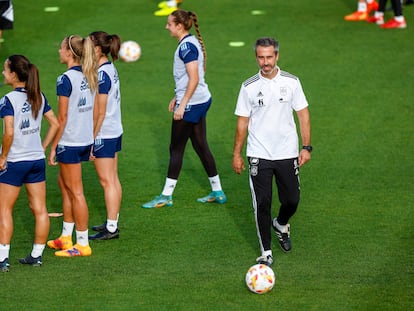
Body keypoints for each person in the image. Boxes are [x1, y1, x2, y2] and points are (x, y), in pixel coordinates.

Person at [232, 37, 312, 267]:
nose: (265, 62)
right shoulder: (248, 87)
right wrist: (237, 154)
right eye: (260, 57)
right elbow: (242, 123)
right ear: (256, 57)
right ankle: (266, 252)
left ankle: (281, 223)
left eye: (269, 57)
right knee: (262, 203)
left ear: (277, 56)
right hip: (259, 153)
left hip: (287, 152)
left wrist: (306, 147)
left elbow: (303, 114)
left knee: (292, 200)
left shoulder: (292, 82)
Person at [142, 9, 226, 209]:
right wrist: (177, 96)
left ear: (179, 26)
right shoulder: (190, 43)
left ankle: (166, 195)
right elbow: (191, 76)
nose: (167, 27)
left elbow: (194, 78)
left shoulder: (186, 47)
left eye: (169, 24)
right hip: (200, 100)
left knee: (176, 149)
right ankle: (218, 191)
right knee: (200, 145)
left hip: (192, 103)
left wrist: (183, 103)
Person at [0, 55, 59, 272]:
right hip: (36, 160)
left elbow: (9, 132)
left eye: (5, 70)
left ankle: (2, 260)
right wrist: (42, 146)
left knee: (4, 210)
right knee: (40, 209)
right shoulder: (39, 96)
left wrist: (3, 156)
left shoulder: (8, 100)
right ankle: (36, 255)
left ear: (14, 75)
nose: (3, 73)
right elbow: (55, 123)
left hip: (15, 161)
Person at [46, 35, 98, 257]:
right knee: (65, 186)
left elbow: (63, 117)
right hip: (84, 139)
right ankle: (66, 237)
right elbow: (94, 112)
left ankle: (82, 244)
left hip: (70, 141)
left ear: (69, 53)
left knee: (76, 192)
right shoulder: (90, 75)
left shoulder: (64, 79)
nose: (58, 51)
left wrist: (54, 145)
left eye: (61, 48)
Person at [88, 31, 123, 241]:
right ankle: (112, 221)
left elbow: (99, 112)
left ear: (98, 49)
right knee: (113, 178)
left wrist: (91, 140)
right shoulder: (109, 68)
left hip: (104, 132)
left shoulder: (102, 74)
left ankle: (111, 229)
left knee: (106, 181)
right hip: (114, 129)